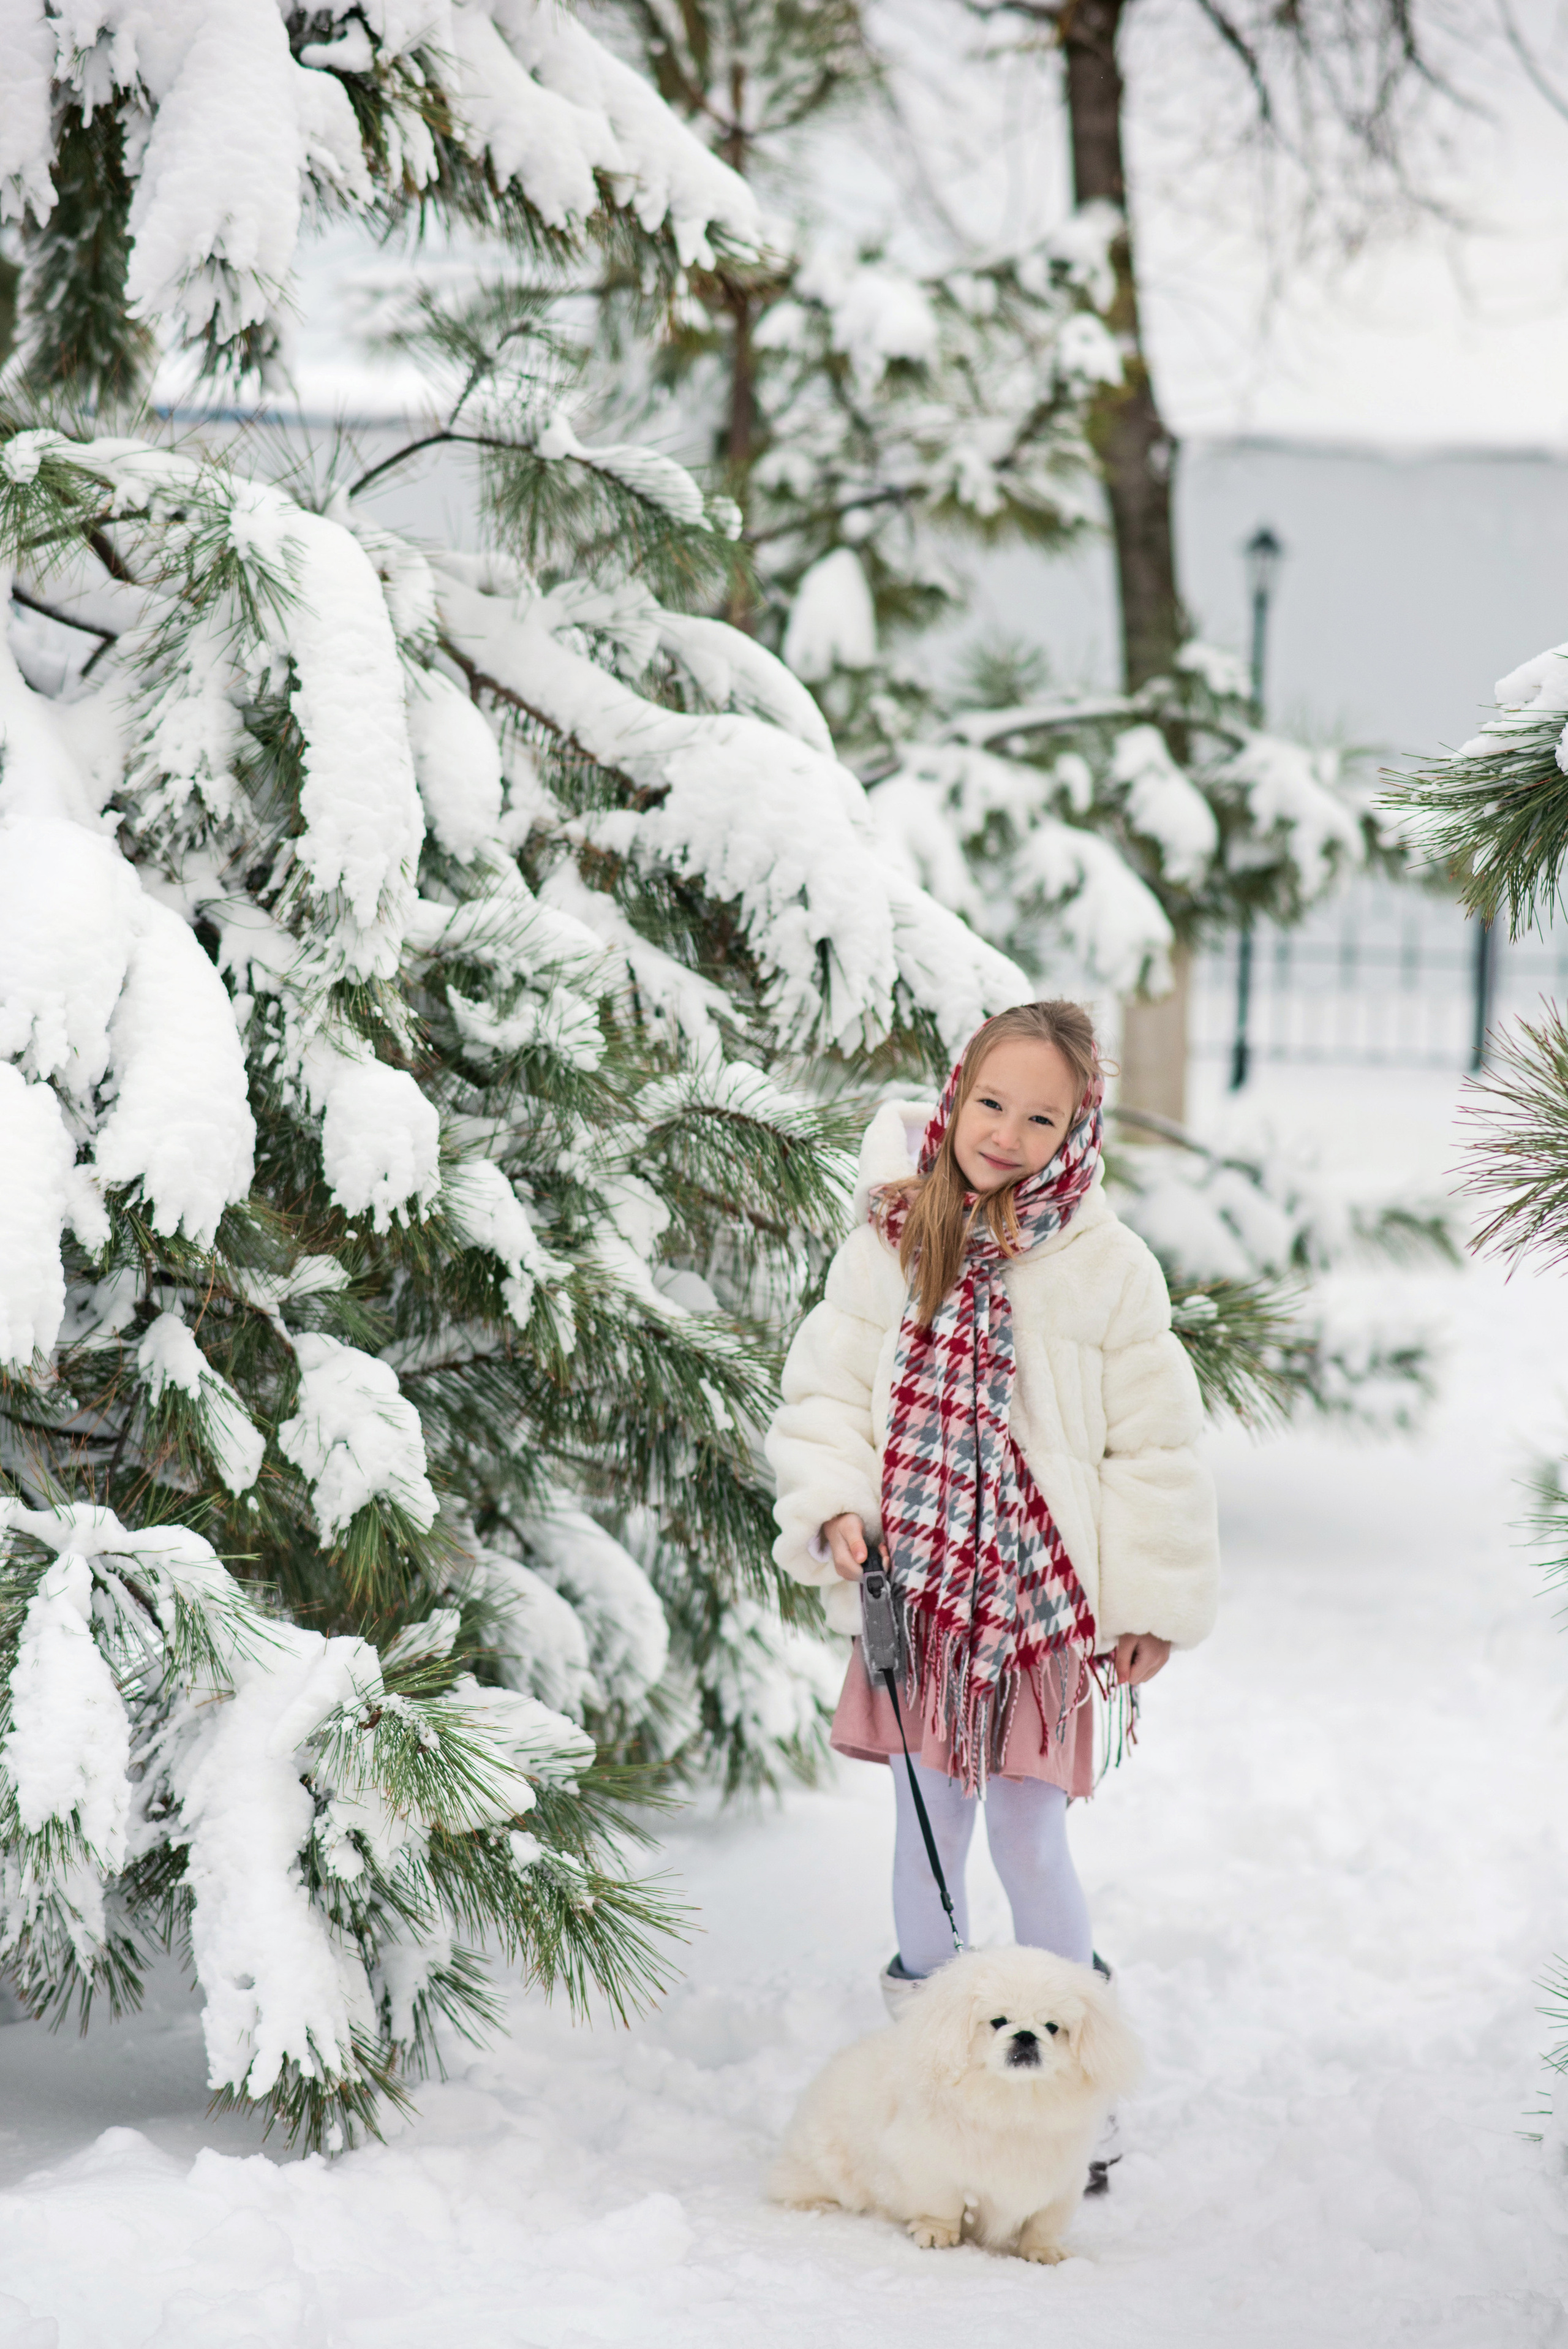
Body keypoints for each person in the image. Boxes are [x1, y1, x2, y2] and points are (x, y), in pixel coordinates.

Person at [766, 1000, 1220, 2013]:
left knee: (1026, 1831)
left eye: (1041, 1120)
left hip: (1038, 1616)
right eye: (991, 1103)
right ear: (956, 1097)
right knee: (928, 1830)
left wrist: (1153, 1597)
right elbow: (830, 1392)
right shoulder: (891, 1240)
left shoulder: (1109, 1269)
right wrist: (836, 1501)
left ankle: (1065, 2063)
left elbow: (1154, 1447)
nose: (1007, 1136)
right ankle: (935, 2059)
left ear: (1080, 1131)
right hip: (917, 1598)